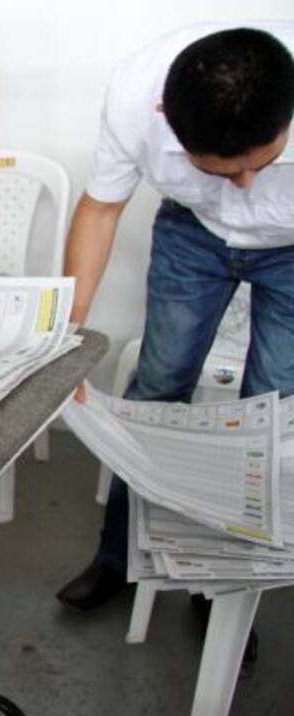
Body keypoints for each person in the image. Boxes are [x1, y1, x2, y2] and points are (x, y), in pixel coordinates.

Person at [56, 24, 294, 621]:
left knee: (269, 413)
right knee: (157, 388)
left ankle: (225, 590)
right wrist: (67, 335)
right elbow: (102, 209)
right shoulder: (138, 97)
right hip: (195, 236)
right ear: (167, 117)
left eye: (262, 164)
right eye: (221, 170)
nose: (244, 185)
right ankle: (119, 557)